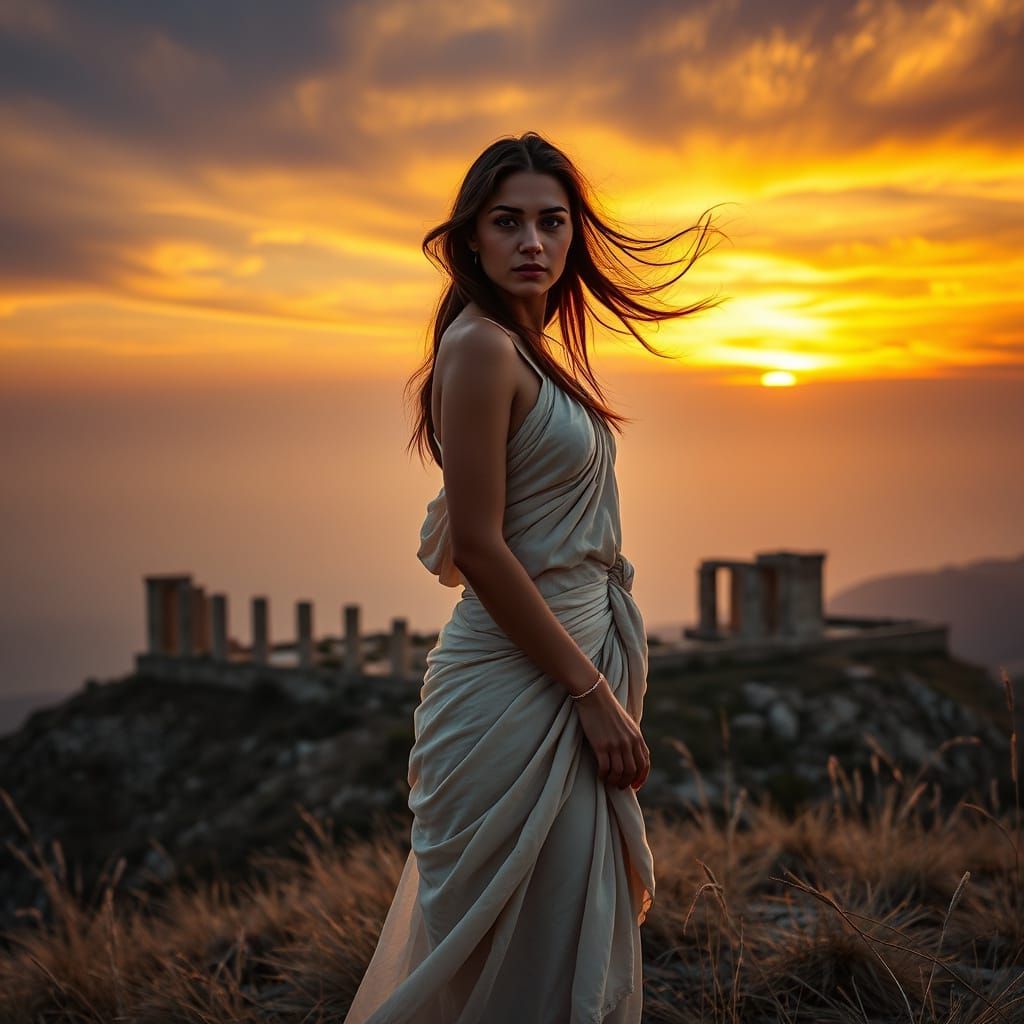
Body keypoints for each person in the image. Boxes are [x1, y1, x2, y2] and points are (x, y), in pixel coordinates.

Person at [343, 131, 726, 1024]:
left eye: (552, 222)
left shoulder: (528, 349)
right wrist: (592, 694)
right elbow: (479, 547)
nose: (532, 242)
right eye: (507, 221)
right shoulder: (480, 348)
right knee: (512, 969)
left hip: (560, 670)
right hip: (518, 692)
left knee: (552, 953)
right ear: (470, 239)